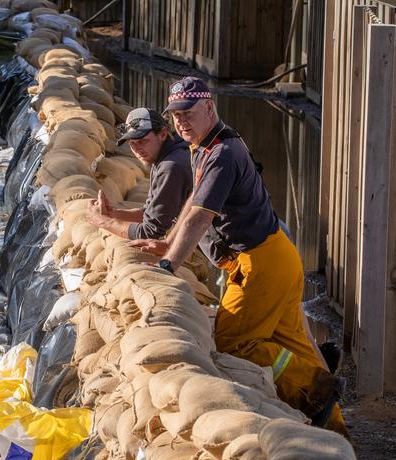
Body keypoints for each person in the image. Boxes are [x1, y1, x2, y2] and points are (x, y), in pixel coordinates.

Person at [131, 76, 347, 434]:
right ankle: (335, 430)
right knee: (289, 342)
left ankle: (314, 389)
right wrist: (169, 243)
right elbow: (194, 203)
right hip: (275, 256)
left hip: (260, 262)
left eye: (188, 112)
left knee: (234, 343)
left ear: (209, 108)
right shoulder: (204, 146)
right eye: (175, 115)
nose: (181, 121)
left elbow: (200, 217)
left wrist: (170, 265)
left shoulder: (222, 154)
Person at [86, 108, 192, 240]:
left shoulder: (170, 166)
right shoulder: (165, 155)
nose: (137, 150)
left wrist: (103, 222)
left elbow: (152, 231)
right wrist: (113, 213)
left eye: (142, 141)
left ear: (163, 134)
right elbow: (150, 213)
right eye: (132, 144)